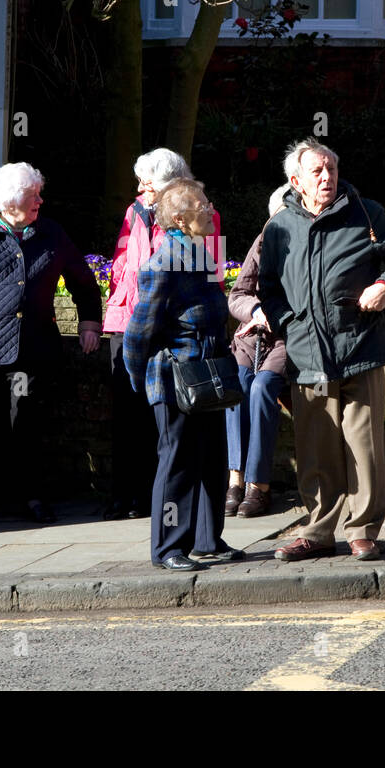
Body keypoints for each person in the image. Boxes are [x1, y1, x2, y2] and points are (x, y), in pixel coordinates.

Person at [259, 139, 385, 562]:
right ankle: (317, 531)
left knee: (363, 446)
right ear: (295, 181)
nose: (326, 177)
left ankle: (363, 530)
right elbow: (268, 287)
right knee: (315, 447)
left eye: (331, 169)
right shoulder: (280, 227)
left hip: (359, 346)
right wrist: (286, 322)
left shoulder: (365, 211)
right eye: (316, 171)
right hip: (306, 352)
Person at [0, 162, 101, 525]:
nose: (40, 202)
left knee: (26, 423)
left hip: (30, 353)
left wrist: (89, 325)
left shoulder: (51, 233)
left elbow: (84, 281)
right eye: (33, 196)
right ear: (11, 200)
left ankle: (31, 497)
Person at [122, 179, 237, 570]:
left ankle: (207, 539)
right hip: (174, 380)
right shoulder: (163, 262)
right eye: (203, 205)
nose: (210, 209)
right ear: (181, 217)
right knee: (178, 465)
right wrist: (142, 381)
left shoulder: (202, 252)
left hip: (207, 376)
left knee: (211, 459)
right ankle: (168, 548)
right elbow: (138, 331)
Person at [101, 148, 220, 520]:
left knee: (172, 428)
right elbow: (124, 263)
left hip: (171, 333)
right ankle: (126, 495)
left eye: (146, 182)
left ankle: (159, 502)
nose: (140, 188)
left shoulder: (199, 215)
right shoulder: (134, 211)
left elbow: (210, 274)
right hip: (131, 321)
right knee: (127, 414)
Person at [223, 185, 290, 520]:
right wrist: (255, 312)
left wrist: (274, 317)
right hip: (252, 338)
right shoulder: (262, 241)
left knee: (263, 388)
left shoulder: (306, 244)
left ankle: (258, 486)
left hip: (286, 340)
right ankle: (235, 479)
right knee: (236, 384)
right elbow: (238, 294)